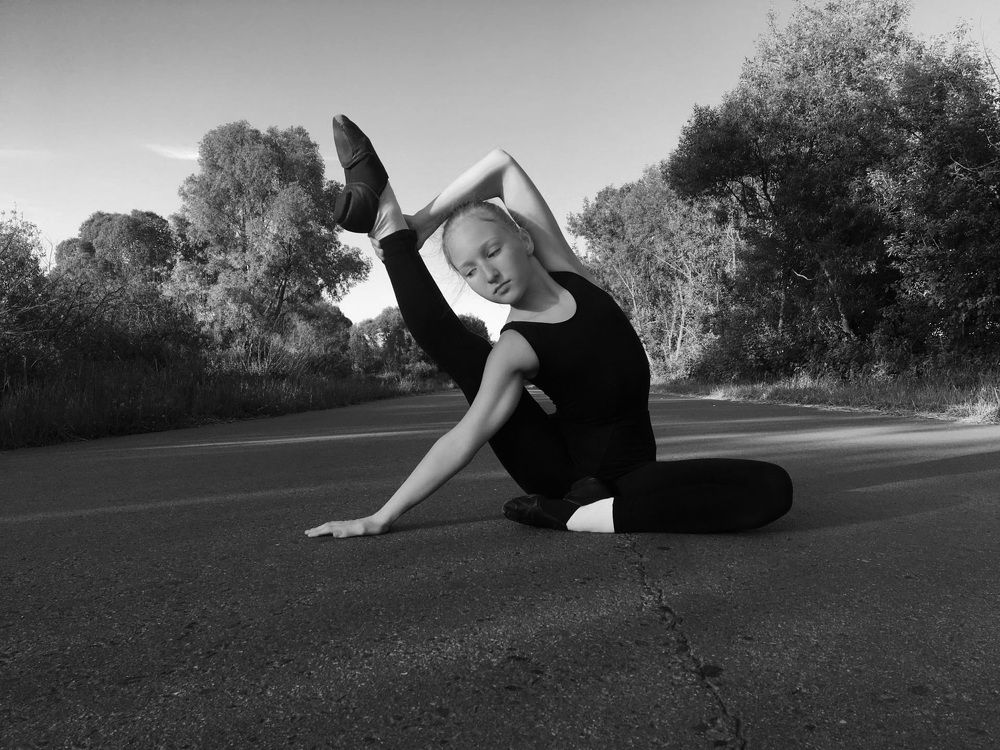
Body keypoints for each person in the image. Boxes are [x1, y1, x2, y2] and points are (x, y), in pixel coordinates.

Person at [305, 116, 792, 538]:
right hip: (563, 474)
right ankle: (387, 226)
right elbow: (462, 439)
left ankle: (397, 225)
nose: (488, 275)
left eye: (492, 251)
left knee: (773, 487)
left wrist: (425, 222)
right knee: (463, 353)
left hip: (633, 473)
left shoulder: (569, 271)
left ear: (523, 239)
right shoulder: (515, 346)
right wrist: (380, 517)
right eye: (470, 271)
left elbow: (501, 165)